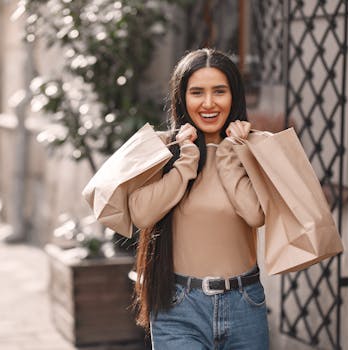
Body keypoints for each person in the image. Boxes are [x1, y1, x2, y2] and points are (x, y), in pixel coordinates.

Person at [129, 48, 268, 349]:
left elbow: (256, 214)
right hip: (178, 306)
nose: (208, 103)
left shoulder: (249, 149)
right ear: (182, 97)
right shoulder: (163, 148)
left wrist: (231, 155)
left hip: (245, 303)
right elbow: (141, 215)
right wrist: (185, 163)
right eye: (197, 92)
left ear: (234, 96)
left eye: (219, 91)